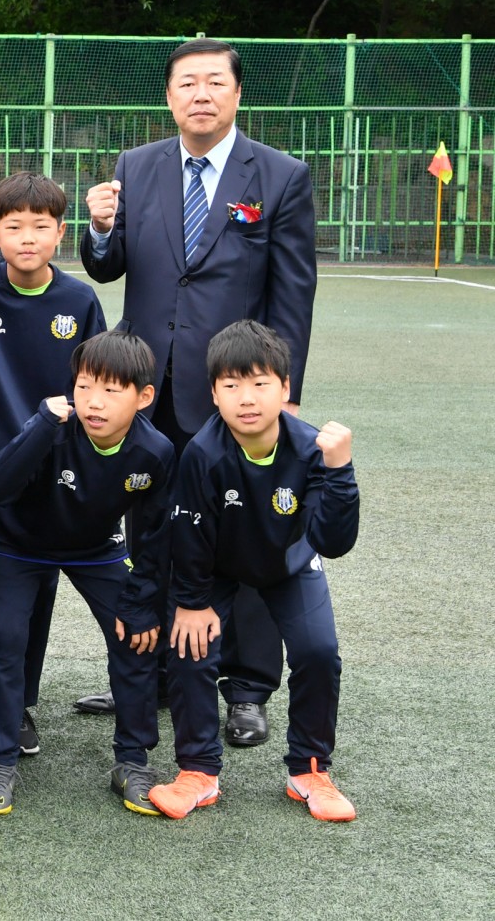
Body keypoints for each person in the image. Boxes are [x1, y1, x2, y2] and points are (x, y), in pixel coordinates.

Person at [78, 37, 318, 742]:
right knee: (149, 527)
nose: (201, 94)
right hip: (150, 390)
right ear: (169, 96)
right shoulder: (137, 165)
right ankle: (150, 669)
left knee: (244, 535)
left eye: (215, 81)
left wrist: (283, 394)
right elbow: (109, 265)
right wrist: (98, 227)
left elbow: (293, 293)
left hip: (235, 392)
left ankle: (245, 687)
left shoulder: (280, 175)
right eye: (188, 83)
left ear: (238, 94)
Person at [148, 320, 359, 822]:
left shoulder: (312, 450)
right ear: (213, 394)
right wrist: (193, 603)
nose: (247, 398)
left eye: (261, 383)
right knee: (190, 648)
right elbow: (190, 536)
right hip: (217, 568)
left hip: (288, 564)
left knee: (318, 652)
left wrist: (341, 471)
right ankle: (198, 772)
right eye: (231, 385)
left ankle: (310, 770)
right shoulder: (202, 453)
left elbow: (334, 543)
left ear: (285, 389)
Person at [0, 331, 175, 817]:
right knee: (7, 637)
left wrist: (142, 601)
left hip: (96, 549)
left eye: (111, 391)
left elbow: (155, 536)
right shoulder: (52, 427)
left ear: (144, 397)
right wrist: (40, 426)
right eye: (84, 387)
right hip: (17, 546)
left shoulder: (155, 451)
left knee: (135, 635)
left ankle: (132, 760)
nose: (94, 402)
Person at [0, 171, 107, 751]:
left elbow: (96, 382)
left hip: (51, 468)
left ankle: (17, 705)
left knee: (35, 592)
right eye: (14, 227)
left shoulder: (79, 300)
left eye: (41, 226)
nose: (28, 238)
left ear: (61, 233)